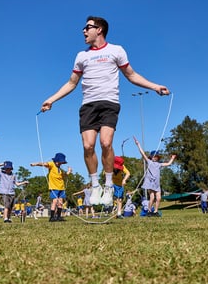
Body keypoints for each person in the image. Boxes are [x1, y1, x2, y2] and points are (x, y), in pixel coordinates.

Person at [39, 16, 170, 206]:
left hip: (109, 103)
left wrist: (155, 86)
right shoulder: (81, 56)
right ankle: (95, 185)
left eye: (87, 27)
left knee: (106, 142)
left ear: (99, 29)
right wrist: (51, 99)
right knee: (88, 146)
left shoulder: (116, 50)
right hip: (88, 105)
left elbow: (131, 75)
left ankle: (108, 185)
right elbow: (71, 83)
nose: (84, 31)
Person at [134, 138, 176, 217]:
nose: (155, 157)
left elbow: (168, 164)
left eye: (156, 156)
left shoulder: (159, 164)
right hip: (150, 183)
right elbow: (142, 153)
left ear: (158, 158)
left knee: (159, 198)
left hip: (157, 184)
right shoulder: (149, 162)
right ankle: (149, 211)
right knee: (152, 198)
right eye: (154, 156)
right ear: (151, 157)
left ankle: (155, 211)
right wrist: (138, 144)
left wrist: (172, 158)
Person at [30, 153, 72, 222]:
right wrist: (35, 164)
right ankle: (52, 217)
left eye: (62, 162)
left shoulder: (60, 169)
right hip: (54, 188)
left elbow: (64, 175)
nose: (61, 163)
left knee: (60, 202)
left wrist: (69, 171)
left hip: (61, 188)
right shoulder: (52, 164)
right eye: (60, 162)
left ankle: (59, 217)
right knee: (55, 202)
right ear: (57, 160)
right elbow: (44, 164)